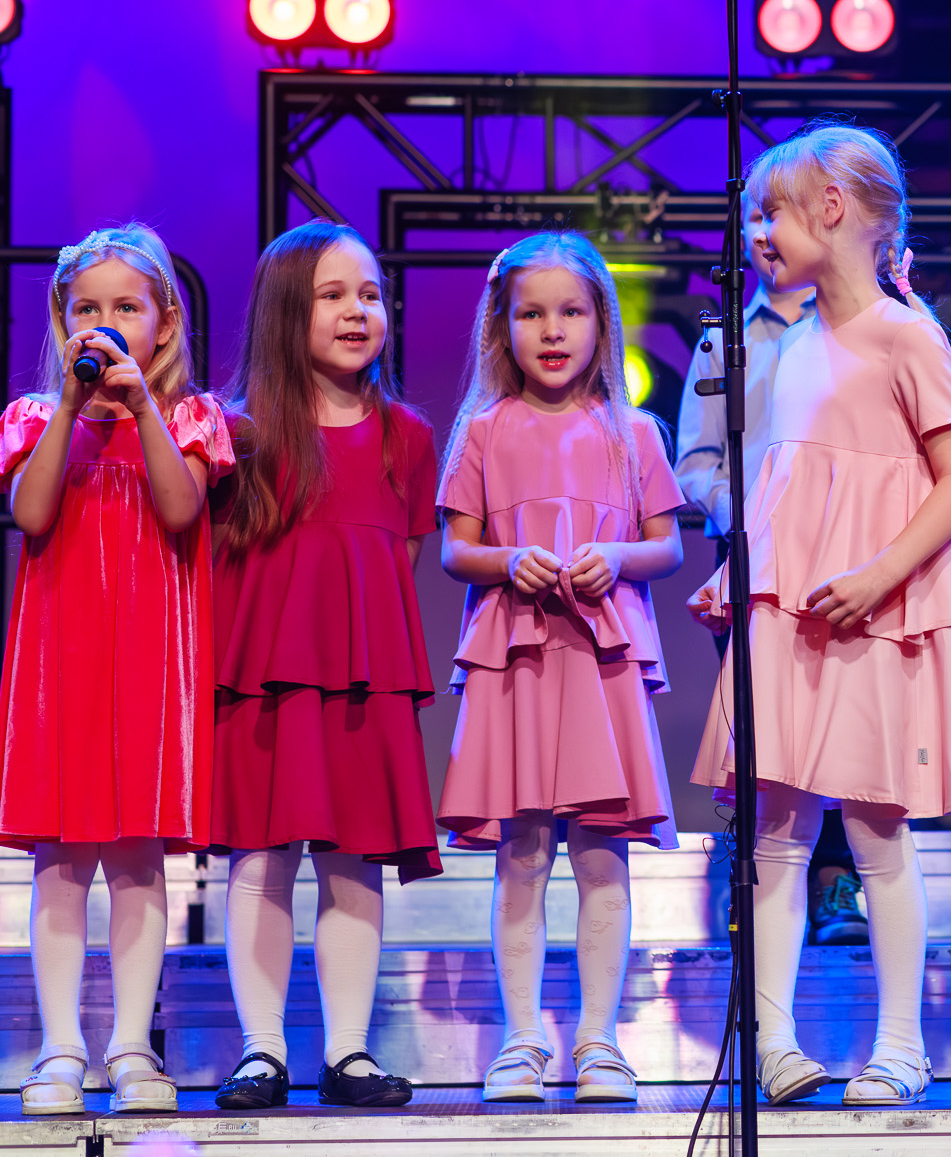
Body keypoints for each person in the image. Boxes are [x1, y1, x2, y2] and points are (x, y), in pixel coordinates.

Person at [688, 120, 951, 1108]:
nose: (756, 234)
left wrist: (878, 575)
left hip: (874, 614)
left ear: (830, 210)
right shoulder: (790, 346)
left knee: (876, 831)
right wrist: (739, 571)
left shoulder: (906, 334)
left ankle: (900, 1045)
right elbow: (786, 485)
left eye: (770, 213)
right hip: (793, 613)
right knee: (774, 829)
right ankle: (773, 1041)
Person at [436, 230, 687, 1105]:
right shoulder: (483, 430)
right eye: (532, 314)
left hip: (599, 657)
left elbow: (667, 545)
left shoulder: (634, 431)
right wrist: (510, 562)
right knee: (523, 849)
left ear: (600, 323)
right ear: (501, 327)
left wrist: (614, 556)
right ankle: (520, 1041)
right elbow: (456, 550)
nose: (552, 330)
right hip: (515, 655)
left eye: (571, 312)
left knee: (602, 851)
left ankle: (599, 1039)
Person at [0, 226, 233, 1115]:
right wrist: (69, 407)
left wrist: (140, 412)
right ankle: (61, 1049)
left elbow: (180, 511)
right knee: (60, 862)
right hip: (59, 666)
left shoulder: (189, 418)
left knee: (138, 860)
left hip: (147, 663)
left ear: (163, 325)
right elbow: (32, 513)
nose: (104, 323)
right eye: (85, 309)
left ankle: (133, 1046)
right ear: (63, 323)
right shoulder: (32, 417)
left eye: (126, 307)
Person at [210, 222, 442, 1111]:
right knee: (261, 856)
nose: (358, 312)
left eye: (370, 295)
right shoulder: (240, 435)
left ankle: (347, 1052)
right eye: (333, 295)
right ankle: (262, 1051)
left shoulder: (406, 437)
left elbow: (398, 559)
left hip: (362, 680)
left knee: (356, 859)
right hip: (268, 680)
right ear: (284, 312)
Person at [676, 199, 866, 949]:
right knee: (760, 729)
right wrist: (741, 509)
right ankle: (758, 876)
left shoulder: (853, 325)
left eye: (776, 218)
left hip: (840, 555)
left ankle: (834, 881)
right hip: (751, 560)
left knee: (840, 721)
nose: (763, 235)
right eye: (752, 221)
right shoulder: (723, 338)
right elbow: (694, 461)